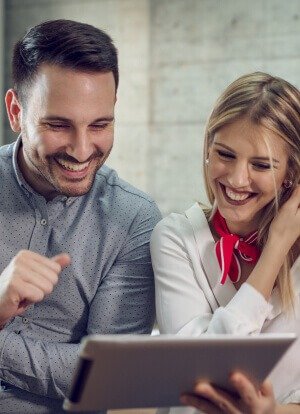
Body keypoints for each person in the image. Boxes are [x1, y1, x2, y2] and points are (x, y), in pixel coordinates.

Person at [0, 19, 161, 413]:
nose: (82, 148)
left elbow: (109, 375)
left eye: (100, 124)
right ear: (16, 111)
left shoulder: (135, 220)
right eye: (58, 125)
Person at [151, 72, 300, 413]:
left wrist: (272, 412)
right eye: (225, 155)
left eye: (261, 165)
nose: (236, 179)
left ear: (291, 172)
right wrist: (275, 249)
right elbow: (200, 376)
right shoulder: (175, 237)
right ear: (207, 149)